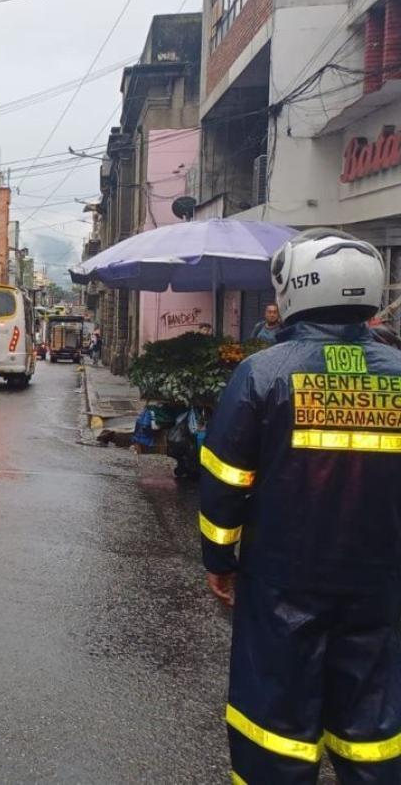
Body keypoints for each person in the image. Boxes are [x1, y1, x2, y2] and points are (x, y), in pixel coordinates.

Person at [199, 229, 401, 784]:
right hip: (380, 586)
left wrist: (219, 561)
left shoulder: (263, 374)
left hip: (283, 585)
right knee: (374, 721)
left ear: (294, 290)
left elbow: (223, 481)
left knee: (276, 719)